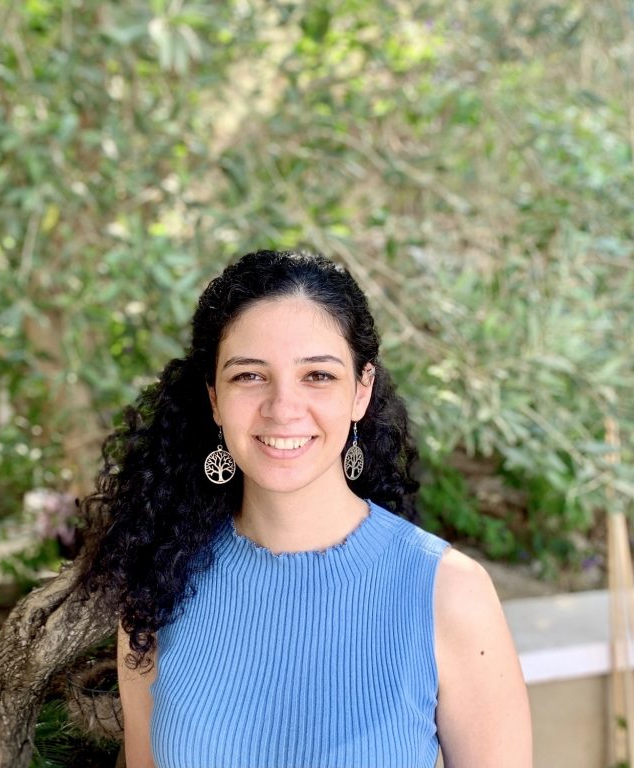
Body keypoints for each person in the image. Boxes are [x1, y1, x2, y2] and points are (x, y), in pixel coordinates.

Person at [80, 249, 532, 768]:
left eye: (317, 375)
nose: (282, 408)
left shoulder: (449, 592)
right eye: (249, 376)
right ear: (213, 399)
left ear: (361, 391)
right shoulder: (159, 581)